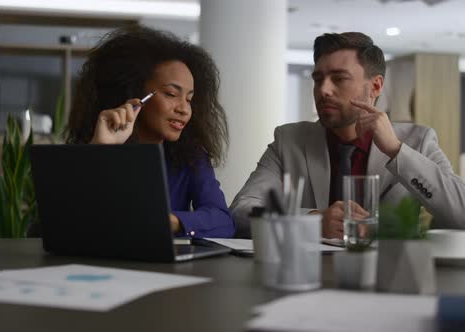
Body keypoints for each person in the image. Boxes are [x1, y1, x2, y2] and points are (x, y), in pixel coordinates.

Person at [231, 32, 465, 239]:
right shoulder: (289, 139)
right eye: (318, 79)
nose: (323, 90)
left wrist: (396, 150)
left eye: (339, 78)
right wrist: (313, 221)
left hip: (389, 277)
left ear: (375, 87)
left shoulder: (417, 141)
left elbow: (461, 217)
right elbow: (241, 211)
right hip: (309, 277)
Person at [65, 25, 234, 238]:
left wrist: (170, 221)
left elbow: (222, 221)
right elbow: (66, 219)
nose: (184, 109)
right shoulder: (93, 147)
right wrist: (101, 150)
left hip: (161, 268)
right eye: (172, 94)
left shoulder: (191, 156)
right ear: (134, 93)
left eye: (189, 99)